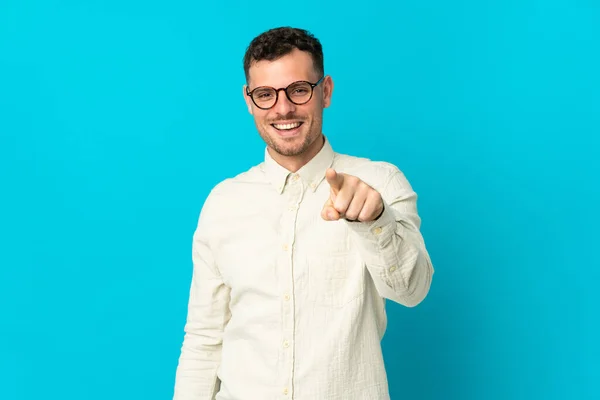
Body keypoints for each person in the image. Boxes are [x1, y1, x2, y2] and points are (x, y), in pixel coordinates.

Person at [173, 26, 434, 400]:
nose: (283, 109)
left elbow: (412, 291)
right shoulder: (223, 202)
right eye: (265, 94)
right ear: (249, 100)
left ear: (324, 91)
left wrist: (376, 222)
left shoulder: (379, 181)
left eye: (298, 90)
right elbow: (204, 338)